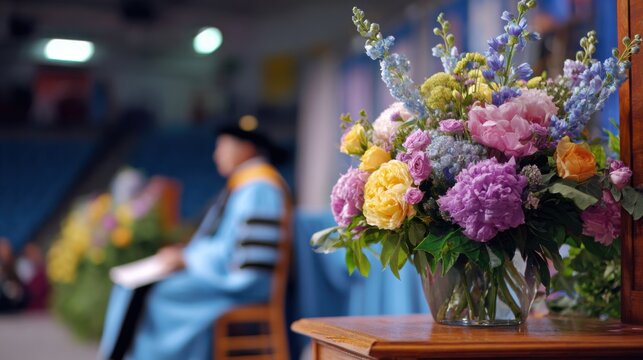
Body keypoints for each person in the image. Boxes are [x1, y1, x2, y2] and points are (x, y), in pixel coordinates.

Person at [99, 125, 291, 360]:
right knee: (141, 287)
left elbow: (248, 266)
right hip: (220, 275)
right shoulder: (244, 186)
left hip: (239, 286)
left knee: (160, 293)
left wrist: (187, 258)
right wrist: (185, 254)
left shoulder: (260, 188)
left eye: (222, 146)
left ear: (247, 148)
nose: (216, 154)